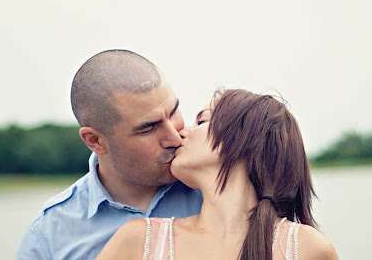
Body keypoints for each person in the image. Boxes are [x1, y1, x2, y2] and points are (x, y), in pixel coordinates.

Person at [98, 89, 339, 260]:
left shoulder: (305, 249)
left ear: (244, 139)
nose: (180, 134)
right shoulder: (139, 240)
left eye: (202, 121)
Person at [16, 50, 203, 259]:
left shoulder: (218, 189)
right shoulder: (47, 237)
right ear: (95, 141)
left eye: (173, 112)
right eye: (148, 128)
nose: (174, 138)